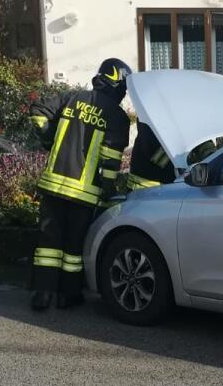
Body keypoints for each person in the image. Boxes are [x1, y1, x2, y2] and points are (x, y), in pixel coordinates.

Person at [27, 58, 132, 311]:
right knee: (73, 249)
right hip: (83, 193)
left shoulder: (72, 97)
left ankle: (42, 293)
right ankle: (68, 295)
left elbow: (38, 112)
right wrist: (108, 191)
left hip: (53, 185)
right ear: (117, 84)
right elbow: (110, 160)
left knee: (48, 244)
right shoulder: (117, 117)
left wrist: (49, 138)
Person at [125, 121, 175, 193]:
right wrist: (177, 168)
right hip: (147, 188)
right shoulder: (152, 117)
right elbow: (151, 148)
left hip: (158, 187)